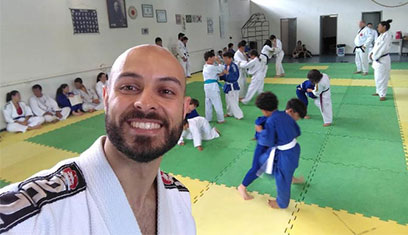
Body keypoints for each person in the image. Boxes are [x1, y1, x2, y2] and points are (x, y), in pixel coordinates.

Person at [0, 45, 196, 234]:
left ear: (185, 108)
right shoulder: (26, 217)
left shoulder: (180, 197)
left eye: (167, 91)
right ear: (106, 97)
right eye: (129, 87)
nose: (145, 103)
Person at [238, 93, 306, 208]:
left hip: (282, 150)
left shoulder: (281, 117)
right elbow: (268, 140)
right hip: (269, 148)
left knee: (285, 172)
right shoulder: (278, 118)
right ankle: (242, 187)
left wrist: (261, 133)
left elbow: (270, 140)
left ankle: (284, 194)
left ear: (263, 110)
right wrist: (259, 133)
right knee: (259, 167)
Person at [369, 20, 393, 101]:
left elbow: (382, 49)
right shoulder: (380, 36)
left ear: (384, 27)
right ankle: (378, 91)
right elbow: (375, 47)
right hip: (377, 59)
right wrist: (371, 53)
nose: (377, 28)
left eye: (379, 26)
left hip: (383, 59)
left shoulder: (387, 36)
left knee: (383, 78)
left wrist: (374, 56)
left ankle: (382, 94)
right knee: (377, 77)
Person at [203, 50, 226, 123]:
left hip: (207, 87)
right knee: (217, 103)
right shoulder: (211, 67)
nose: (214, 59)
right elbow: (221, 69)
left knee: (208, 103)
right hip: (213, 87)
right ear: (209, 58)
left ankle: (208, 119)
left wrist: (218, 74)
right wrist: (219, 61)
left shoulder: (205, 66)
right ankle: (221, 119)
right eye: (213, 57)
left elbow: (215, 74)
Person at [220, 51, 244, 119]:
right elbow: (224, 76)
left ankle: (239, 115)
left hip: (233, 86)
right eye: (223, 59)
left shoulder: (233, 66)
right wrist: (221, 76)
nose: (224, 61)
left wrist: (227, 74)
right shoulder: (225, 66)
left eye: (225, 59)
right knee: (228, 100)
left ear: (230, 59)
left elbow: (235, 76)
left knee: (234, 101)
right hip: (227, 85)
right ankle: (229, 113)